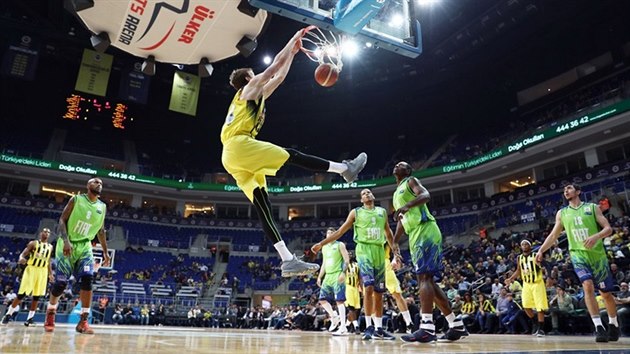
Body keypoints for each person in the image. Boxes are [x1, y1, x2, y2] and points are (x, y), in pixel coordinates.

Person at [221, 28, 367, 278]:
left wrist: (294, 52)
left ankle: (287, 260)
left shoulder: (256, 95)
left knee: (263, 205)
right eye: (253, 74)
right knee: (291, 154)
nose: (257, 75)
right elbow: (273, 68)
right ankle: (345, 169)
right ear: (247, 79)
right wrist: (293, 38)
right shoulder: (247, 90)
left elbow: (278, 78)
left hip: (233, 157)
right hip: (238, 145)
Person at [390, 161, 468, 343]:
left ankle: (427, 327)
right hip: (414, 234)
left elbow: (425, 195)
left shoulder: (411, 181)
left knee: (424, 278)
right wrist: (394, 242)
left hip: (426, 229)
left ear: (408, 170)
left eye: (401, 164)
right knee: (427, 281)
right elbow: (402, 219)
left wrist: (408, 205)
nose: (396, 165)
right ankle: (455, 324)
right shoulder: (396, 193)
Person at [536, 183, 619, 342]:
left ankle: (613, 323)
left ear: (578, 191)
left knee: (606, 294)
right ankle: (598, 327)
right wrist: (541, 250)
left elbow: (608, 229)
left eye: (569, 188)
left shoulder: (592, 208)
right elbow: (553, 236)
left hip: (597, 256)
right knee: (587, 285)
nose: (566, 191)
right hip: (578, 255)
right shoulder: (562, 213)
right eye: (564, 190)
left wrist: (596, 236)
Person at [311, 189, 396, 340]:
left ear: (373, 196)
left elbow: (388, 234)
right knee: (368, 286)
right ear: (361, 200)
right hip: (364, 250)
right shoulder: (356, 212)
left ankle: (378, 328)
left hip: (379, 251)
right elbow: (339, 232)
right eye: (363, 193)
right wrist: (321, 244)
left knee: (379, 292)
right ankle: (369, 326)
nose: (367, 194)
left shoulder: (382, 212)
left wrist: (397, 254)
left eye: (369, 192)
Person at [45, 178, 111, 334]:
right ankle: (51, 312)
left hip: (85, 246)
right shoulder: (76, 199)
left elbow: (101, 231)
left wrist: (106, 251)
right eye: (95, 182)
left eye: (101, 183)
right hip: (67, 244)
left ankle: (83, 322)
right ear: (88, 186)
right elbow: (62, 219)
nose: (99, 184)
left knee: (88, 279)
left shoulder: (102, 206)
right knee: (61, 283)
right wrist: (66, 240)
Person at [1, 228, 54, 326]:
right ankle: (8, 315)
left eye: (48, 232)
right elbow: (23, 253)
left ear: (49, 235)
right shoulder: (33, 243)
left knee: (36, 296)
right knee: (22, 294)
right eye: (44, 231)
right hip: (31, 269)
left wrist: (50, 274)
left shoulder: (50, 247)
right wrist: (21, 258)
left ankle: (30, 318)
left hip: (42, 271)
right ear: (40, 233)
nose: (46, 233)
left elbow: (48, 261)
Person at [505, 239, 548, 337]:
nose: (524, 246)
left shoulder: (535, 255)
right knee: (526, 306)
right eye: (522, 244)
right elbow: (518, 270)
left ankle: (541, 329)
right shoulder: (519, 258)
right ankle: (535, 323)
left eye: (526, 244)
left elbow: (544, 266)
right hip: (526, 284)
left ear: (530, 246)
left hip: (537, 283)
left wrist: (548, 277)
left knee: (540, 307)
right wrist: (511, 279)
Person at [316, 227, 350, 336]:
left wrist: (343, 273)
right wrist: (320, 277)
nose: (330, 235)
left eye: (332, 233)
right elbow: (324, 264)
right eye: (328, 233)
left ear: (336, 235)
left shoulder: (340, 245)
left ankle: (343, 327)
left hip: (338, 274)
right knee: (322, 299)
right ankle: (334, 317)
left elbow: (346, 260)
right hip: (328, 276)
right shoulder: (324, 247)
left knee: (339, 301)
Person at [383, 244, 414, 333]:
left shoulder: (385, 232)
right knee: (373, 294)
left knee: (397, 294)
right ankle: (373, 326)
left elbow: (394, 243)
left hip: (385, 264)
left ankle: (409, 323)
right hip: (372, 264)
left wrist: (395, 258)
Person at [344, 251, 362, 334]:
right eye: (348, 255)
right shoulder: (343, 265)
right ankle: (356, 327)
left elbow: (360, 277)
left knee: (356, 309)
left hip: (355, 288)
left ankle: (346, 326)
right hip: (347, 287)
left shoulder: (357, 265)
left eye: (350, 255)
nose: (349, 256)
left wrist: (361, 288)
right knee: (351, 308)